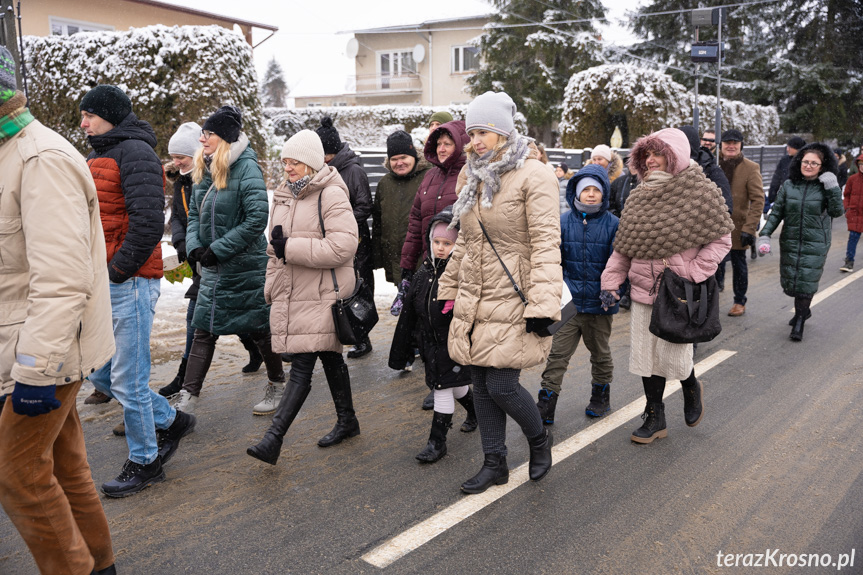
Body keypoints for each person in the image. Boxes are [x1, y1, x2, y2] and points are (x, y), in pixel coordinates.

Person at [0, 48, 117, 575]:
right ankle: (101, 566)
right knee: (65, 470)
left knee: (17, 475)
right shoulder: (10, 152)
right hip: (27, 345)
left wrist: (36, 370)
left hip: (42, 353)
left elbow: (63, 280)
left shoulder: (39, 158)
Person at [438, 91, 560, 493]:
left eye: (485, 131)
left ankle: (539, 441)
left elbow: (545, 242)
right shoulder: (469, 175)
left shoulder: (534, 174)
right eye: (472, 132)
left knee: (503, 384)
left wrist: (544, 304)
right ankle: (495, 462)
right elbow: (468, 240)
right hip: (476, 290)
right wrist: (448, 287)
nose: (476, 140)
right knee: (479, 380)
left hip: (515, 292)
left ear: (505, 133)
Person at [80, 84, 195, 497]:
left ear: (109, 114)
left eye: (89, 114)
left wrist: (117, 271)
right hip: (103, 281)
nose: (83, 122)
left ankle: (145, 461)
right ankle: (170, 419)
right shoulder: (98, 154)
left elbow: (148, 223)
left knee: (129, 378)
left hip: (129, 281)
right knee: (99, 371)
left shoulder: (137, 153)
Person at [601, 128, 733, 444]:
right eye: (646, 155)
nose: (651, 160)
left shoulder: (700, 192)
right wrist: (611, 281)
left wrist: (692, 272)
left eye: (658, 153)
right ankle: (655, 416)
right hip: (643, 291)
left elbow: (722, 239)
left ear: (674, 156)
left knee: (674, 358)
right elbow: (624, 246)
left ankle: (689, 385)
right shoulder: (638, 196)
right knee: (645, 358)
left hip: (678, 292)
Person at [247, 129, 360, 465]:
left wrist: (291, 249)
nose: (289, 167)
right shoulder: (283, 196)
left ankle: (273, 439)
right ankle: (348, 420)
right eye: (285, 161)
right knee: (329, 356)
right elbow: (274, 249)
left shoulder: (331, 194)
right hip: (295, 292)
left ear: (311, 163)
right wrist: (273, 281)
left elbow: (343, 247)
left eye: (295, 161)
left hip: (323, 293)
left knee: (303, 363)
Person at [177, 106, 285, 416]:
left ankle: (277, 384)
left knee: (260, 327)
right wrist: (197, 246)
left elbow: (256, 219)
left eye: (207, 134)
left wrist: (219, 249)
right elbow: (195, 212)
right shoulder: (206, 166)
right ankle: (188, 397)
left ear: (223, 138)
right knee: (204, 327)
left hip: (245, 266)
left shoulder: (246, 167)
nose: (201, 139)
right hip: (214, 267)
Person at [388, 208, 477, 463]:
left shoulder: (462, 273)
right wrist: (405, 347)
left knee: (441, 388)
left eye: (448, 243)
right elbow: (410, 315)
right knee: (456, 385)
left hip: (454, 343)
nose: (440, 248)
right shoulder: (424, 272)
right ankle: (475, 413)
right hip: (431, 344)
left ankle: (437, 442)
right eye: (437, 242)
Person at [536, 164, 620, 425]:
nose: (591, 195)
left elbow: (621, 263)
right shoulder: (561, 222)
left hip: (599, 305)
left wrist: (615, 291)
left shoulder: (614, 224)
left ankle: (600, 396)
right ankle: (546, 403)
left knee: (600, 354)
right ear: (576, 192)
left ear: (603, 193)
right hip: (568, 305)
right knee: (557, 355)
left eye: (596, 190)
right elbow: (552, 262)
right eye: (586, 190)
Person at [396, 118, 469, 409]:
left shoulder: (468, 174)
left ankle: (448, 382)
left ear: (460, 144)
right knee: (427, 330)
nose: (441, 148)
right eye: (438, 144)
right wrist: (407, 262)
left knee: (450, 330)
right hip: (430, 265)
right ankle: (445, 383)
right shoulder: (429, 178)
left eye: (448, 143)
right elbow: (416, 223)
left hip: (458, 267)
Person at [759, 143, 844, 341]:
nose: (808, 166)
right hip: (790, 240)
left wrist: (832, 188)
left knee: (806, 280)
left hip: (816, 243)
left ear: (822, 166)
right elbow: (777, 213)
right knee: (793, 281)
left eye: (814, 163)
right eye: (806, 161)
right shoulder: (789, 185)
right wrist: (765, 234)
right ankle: (803, 311)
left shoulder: (826, 186)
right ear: (799, 162)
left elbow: (837, 212)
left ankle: (799, 321)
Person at [316, 116, 375, 359]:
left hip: (356, 241)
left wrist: (341, 222)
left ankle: (363, 337)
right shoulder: (322, 171)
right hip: (329, 241)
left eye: (324, 155)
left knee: (356, 288)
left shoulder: (353, 171)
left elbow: (365, 206)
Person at [717, 129, 764, 316]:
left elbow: (758, 200)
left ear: (741, 145)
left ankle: (739, 301)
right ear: (721, 145)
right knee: (712, 265)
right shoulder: (713, 164)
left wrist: (750, 228)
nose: (731, 146)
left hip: (738, 228)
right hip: (713, 226)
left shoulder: (750, 168)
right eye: (727, 142)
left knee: (738, 265)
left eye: (735, 143)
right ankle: (711, 298)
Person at [678, 125, 733, 214]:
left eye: (711, 140)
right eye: (705, 140)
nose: (707, 142)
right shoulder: (668, 167)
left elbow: (726, 207)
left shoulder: (711, 170)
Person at [767, 136, 805, 211]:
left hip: (802, 198)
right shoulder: (784, 160)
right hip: (786, 197)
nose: (787, 149)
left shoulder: (806, 161)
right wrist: (771, 197)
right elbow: (776, 179)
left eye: (790, 147)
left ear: (797, 148)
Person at [840, 153, 863, 272]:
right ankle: (849, 261)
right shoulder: (852, 179)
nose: (862, 166)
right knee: (853, 237)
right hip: (854, 213)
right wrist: (847, 208)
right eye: (860, 164)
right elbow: (846, 194)